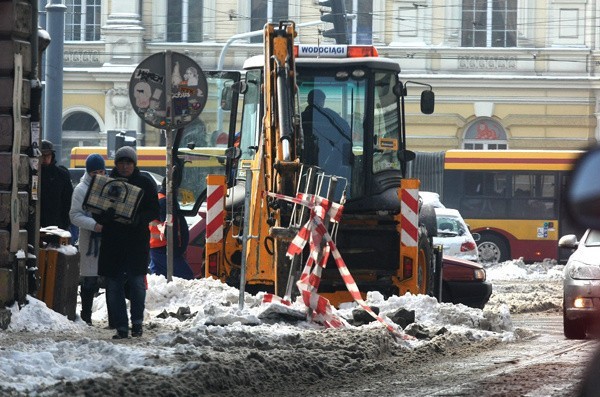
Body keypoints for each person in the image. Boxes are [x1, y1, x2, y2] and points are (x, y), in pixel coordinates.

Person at [95, 146, 159, 339]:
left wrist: (138, 219)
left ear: (134, 164)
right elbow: (95, 211)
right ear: (116, 164)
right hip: (113, 243)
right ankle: (121, 327)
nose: (124, 166)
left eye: (128, 163)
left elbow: (154, 210)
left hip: (136, 243)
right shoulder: (107, 183)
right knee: (114, 286)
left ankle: (137, 323)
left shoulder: (145, 183)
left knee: (137, 283)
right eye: (121, 162)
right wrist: (105, 215)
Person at [69, 153, 106, 326]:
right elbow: (75, 215)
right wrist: (94, 225)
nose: (99, 175)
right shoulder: (81, 189)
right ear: (89, 172)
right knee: (89, 280)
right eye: (95, 172)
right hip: (90, 239)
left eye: (101, 171)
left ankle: (113, 317)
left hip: (107, 240)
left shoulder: (108, 187)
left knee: (109, 279)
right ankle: (86, 316)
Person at [149, 179, 194, 280]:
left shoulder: (163, 199)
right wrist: (176, 248)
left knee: (158, 278)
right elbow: (168, 226)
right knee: (187, 277)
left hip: (157, 246)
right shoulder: (165, 202)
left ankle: (160, 295)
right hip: (164, 247)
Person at [301, 89, 352, 169]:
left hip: (304, 161)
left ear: (308, 101)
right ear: (322, 101)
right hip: (327, 160)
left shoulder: (301, 117)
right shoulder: (329, 115)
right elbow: (346, 132)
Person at [40, 139, 73, 231]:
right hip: (37, 224)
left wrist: (65, 224)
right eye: (42, 155)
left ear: (52, 155)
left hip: (57, 226)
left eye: (48, 155)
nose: (45, 158)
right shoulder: (31, 175)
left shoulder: (61, 175)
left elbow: (68, 202)